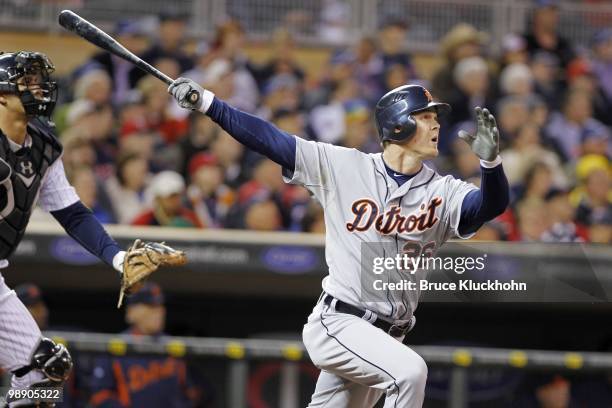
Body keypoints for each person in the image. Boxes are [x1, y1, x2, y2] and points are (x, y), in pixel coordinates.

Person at [168, 72, 509, 406]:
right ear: (397, 122)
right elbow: (269, 139)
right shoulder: (345, 166)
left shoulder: (443, 191)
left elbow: (489, 205)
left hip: (386, 336)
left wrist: (490, 163)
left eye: (436, 117)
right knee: (410, 373)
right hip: (340, 322)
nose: (436, 124)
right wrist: (209, 104)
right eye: (425, 116)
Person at [0, 51, 166, 407]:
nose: (39, 88)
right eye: (27, 81)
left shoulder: (43, 146)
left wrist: (118, 257)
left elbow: (72, 213)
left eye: (40, 80)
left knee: (45, 371)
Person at [89, 283, 202, 408]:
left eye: (160, 305)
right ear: (131, 312)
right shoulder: (116, 348)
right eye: (150, 306)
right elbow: (101, 396)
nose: (159, 311)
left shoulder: (174, 347)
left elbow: (191, 392)